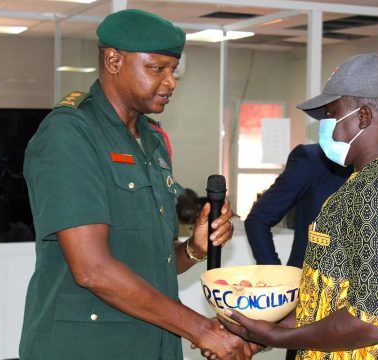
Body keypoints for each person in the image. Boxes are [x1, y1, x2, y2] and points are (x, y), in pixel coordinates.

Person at [19, 9, 256, 360]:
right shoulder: (70, 133)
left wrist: (194, 248)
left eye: (173, 70)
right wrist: (201, 329)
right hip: (87, 348)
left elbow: (151, 263)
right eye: (157, 69)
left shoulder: (152, 141)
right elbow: (92, 269)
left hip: (152, 343)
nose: (170, 82)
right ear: (114, 60)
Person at [221, 53, 378, 359]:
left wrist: (276, 335)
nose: (325, 127)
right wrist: (263, 330)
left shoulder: (377, 189)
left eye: (331, 114)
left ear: (363, 117)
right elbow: (339, 300)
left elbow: (372, 323)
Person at [245, 144, 353, 269]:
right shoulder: (313, 159)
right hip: (310, 282)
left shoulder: (377, 169)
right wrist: (277, 276)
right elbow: (259, 219)